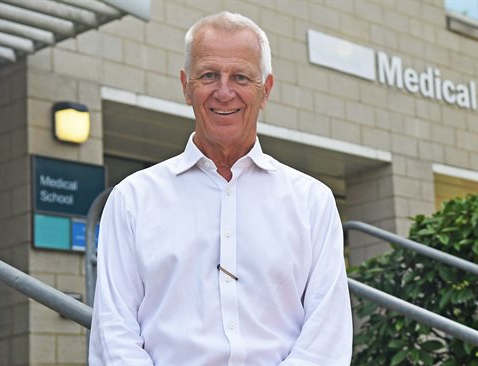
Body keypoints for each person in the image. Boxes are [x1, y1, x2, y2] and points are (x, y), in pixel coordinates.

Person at [89, 11, 353, 365]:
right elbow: (113, 329)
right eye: (209, 75)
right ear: (186, 86)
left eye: (241, 77)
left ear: (266, 90)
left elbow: (327, 334)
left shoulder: (313, 203)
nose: (224, 92)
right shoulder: (131, 199)